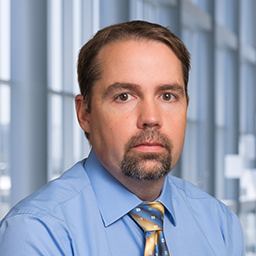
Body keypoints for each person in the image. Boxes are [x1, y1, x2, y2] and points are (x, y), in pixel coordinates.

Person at [0, 20, 244, 255]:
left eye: (167, 96)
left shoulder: (219, 223)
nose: (151, 117)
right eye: (124, 96)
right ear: (85, 113)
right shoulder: (37, 232)